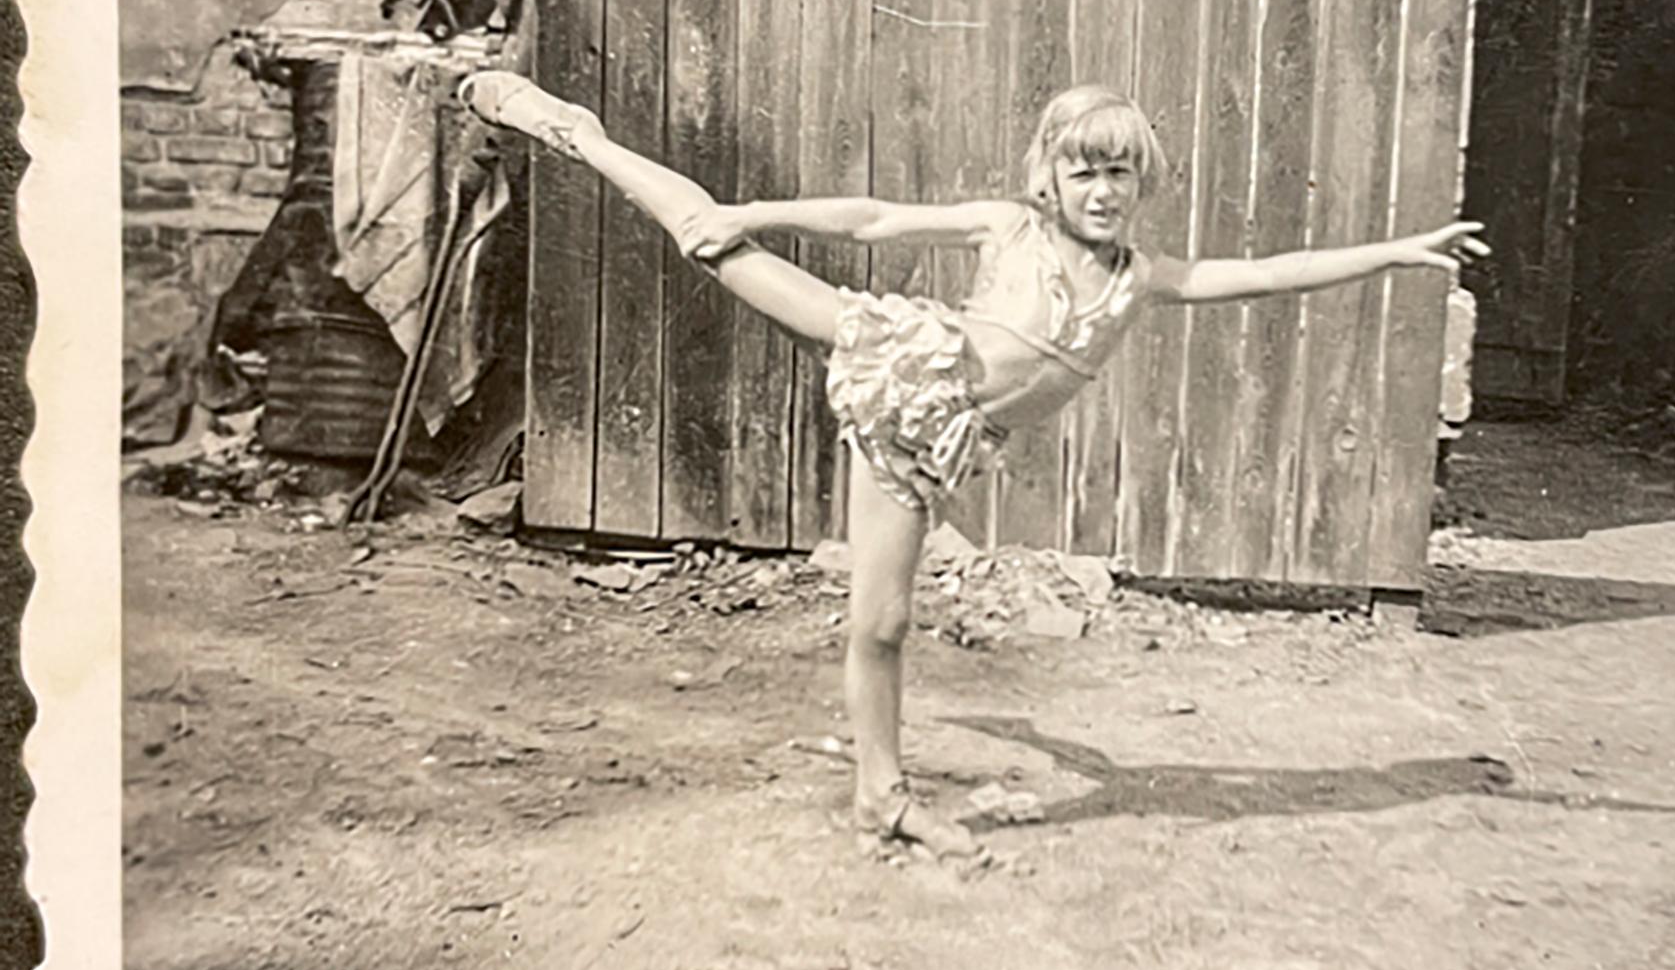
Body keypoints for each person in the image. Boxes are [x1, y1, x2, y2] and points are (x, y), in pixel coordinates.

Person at [459, 73, 1487, 866]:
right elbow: (872, 219)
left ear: (1141, 183)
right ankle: (573, 130)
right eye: (1082, 170)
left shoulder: (1143, 282)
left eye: (1118, 172)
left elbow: (1266, 274)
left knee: (882, 623)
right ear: (1049, 175)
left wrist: (1396, 251)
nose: (1100, 189)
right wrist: (756, 213)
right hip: (902, 360)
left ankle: (879, 796)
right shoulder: (1012, 227)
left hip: (934, 442)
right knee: (701, 234)